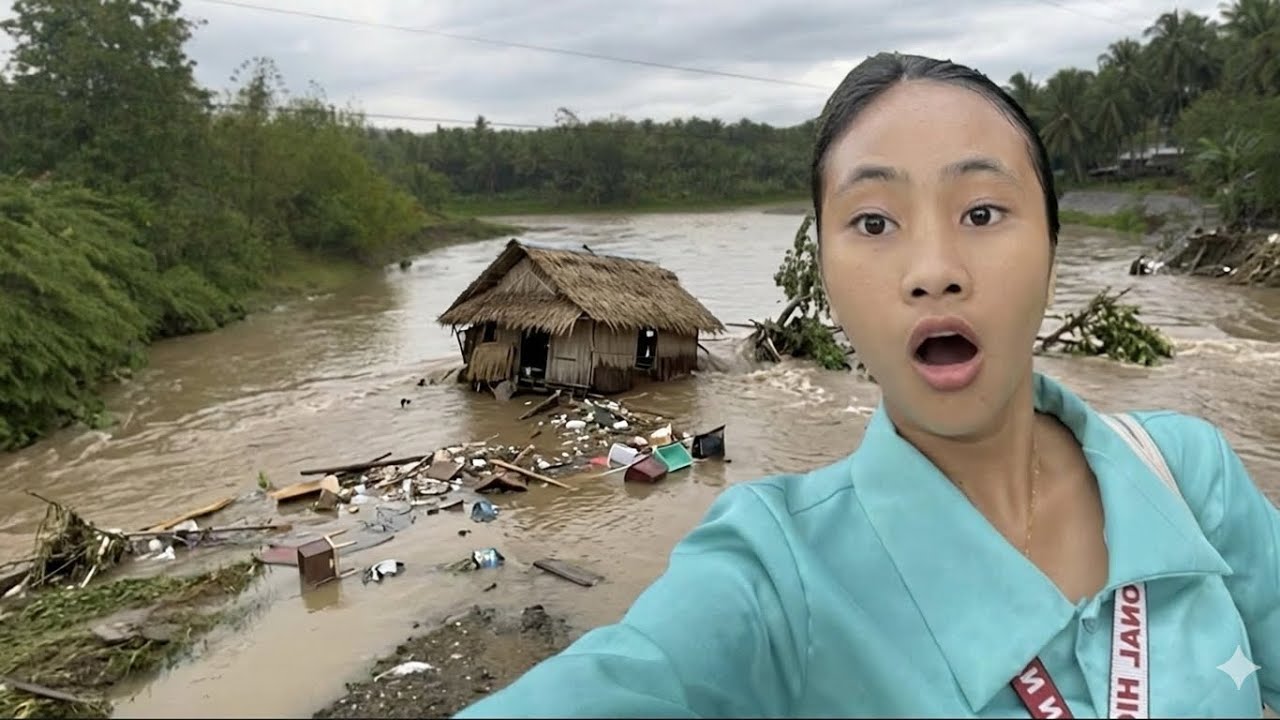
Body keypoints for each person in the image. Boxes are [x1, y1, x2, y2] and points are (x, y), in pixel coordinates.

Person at [455, 52, 1278, 718]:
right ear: (826, 275)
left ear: (1055, 249)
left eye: (983, 212)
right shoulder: (776, 572)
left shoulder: (1186, 473)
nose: (933, 272)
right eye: (873, 223)